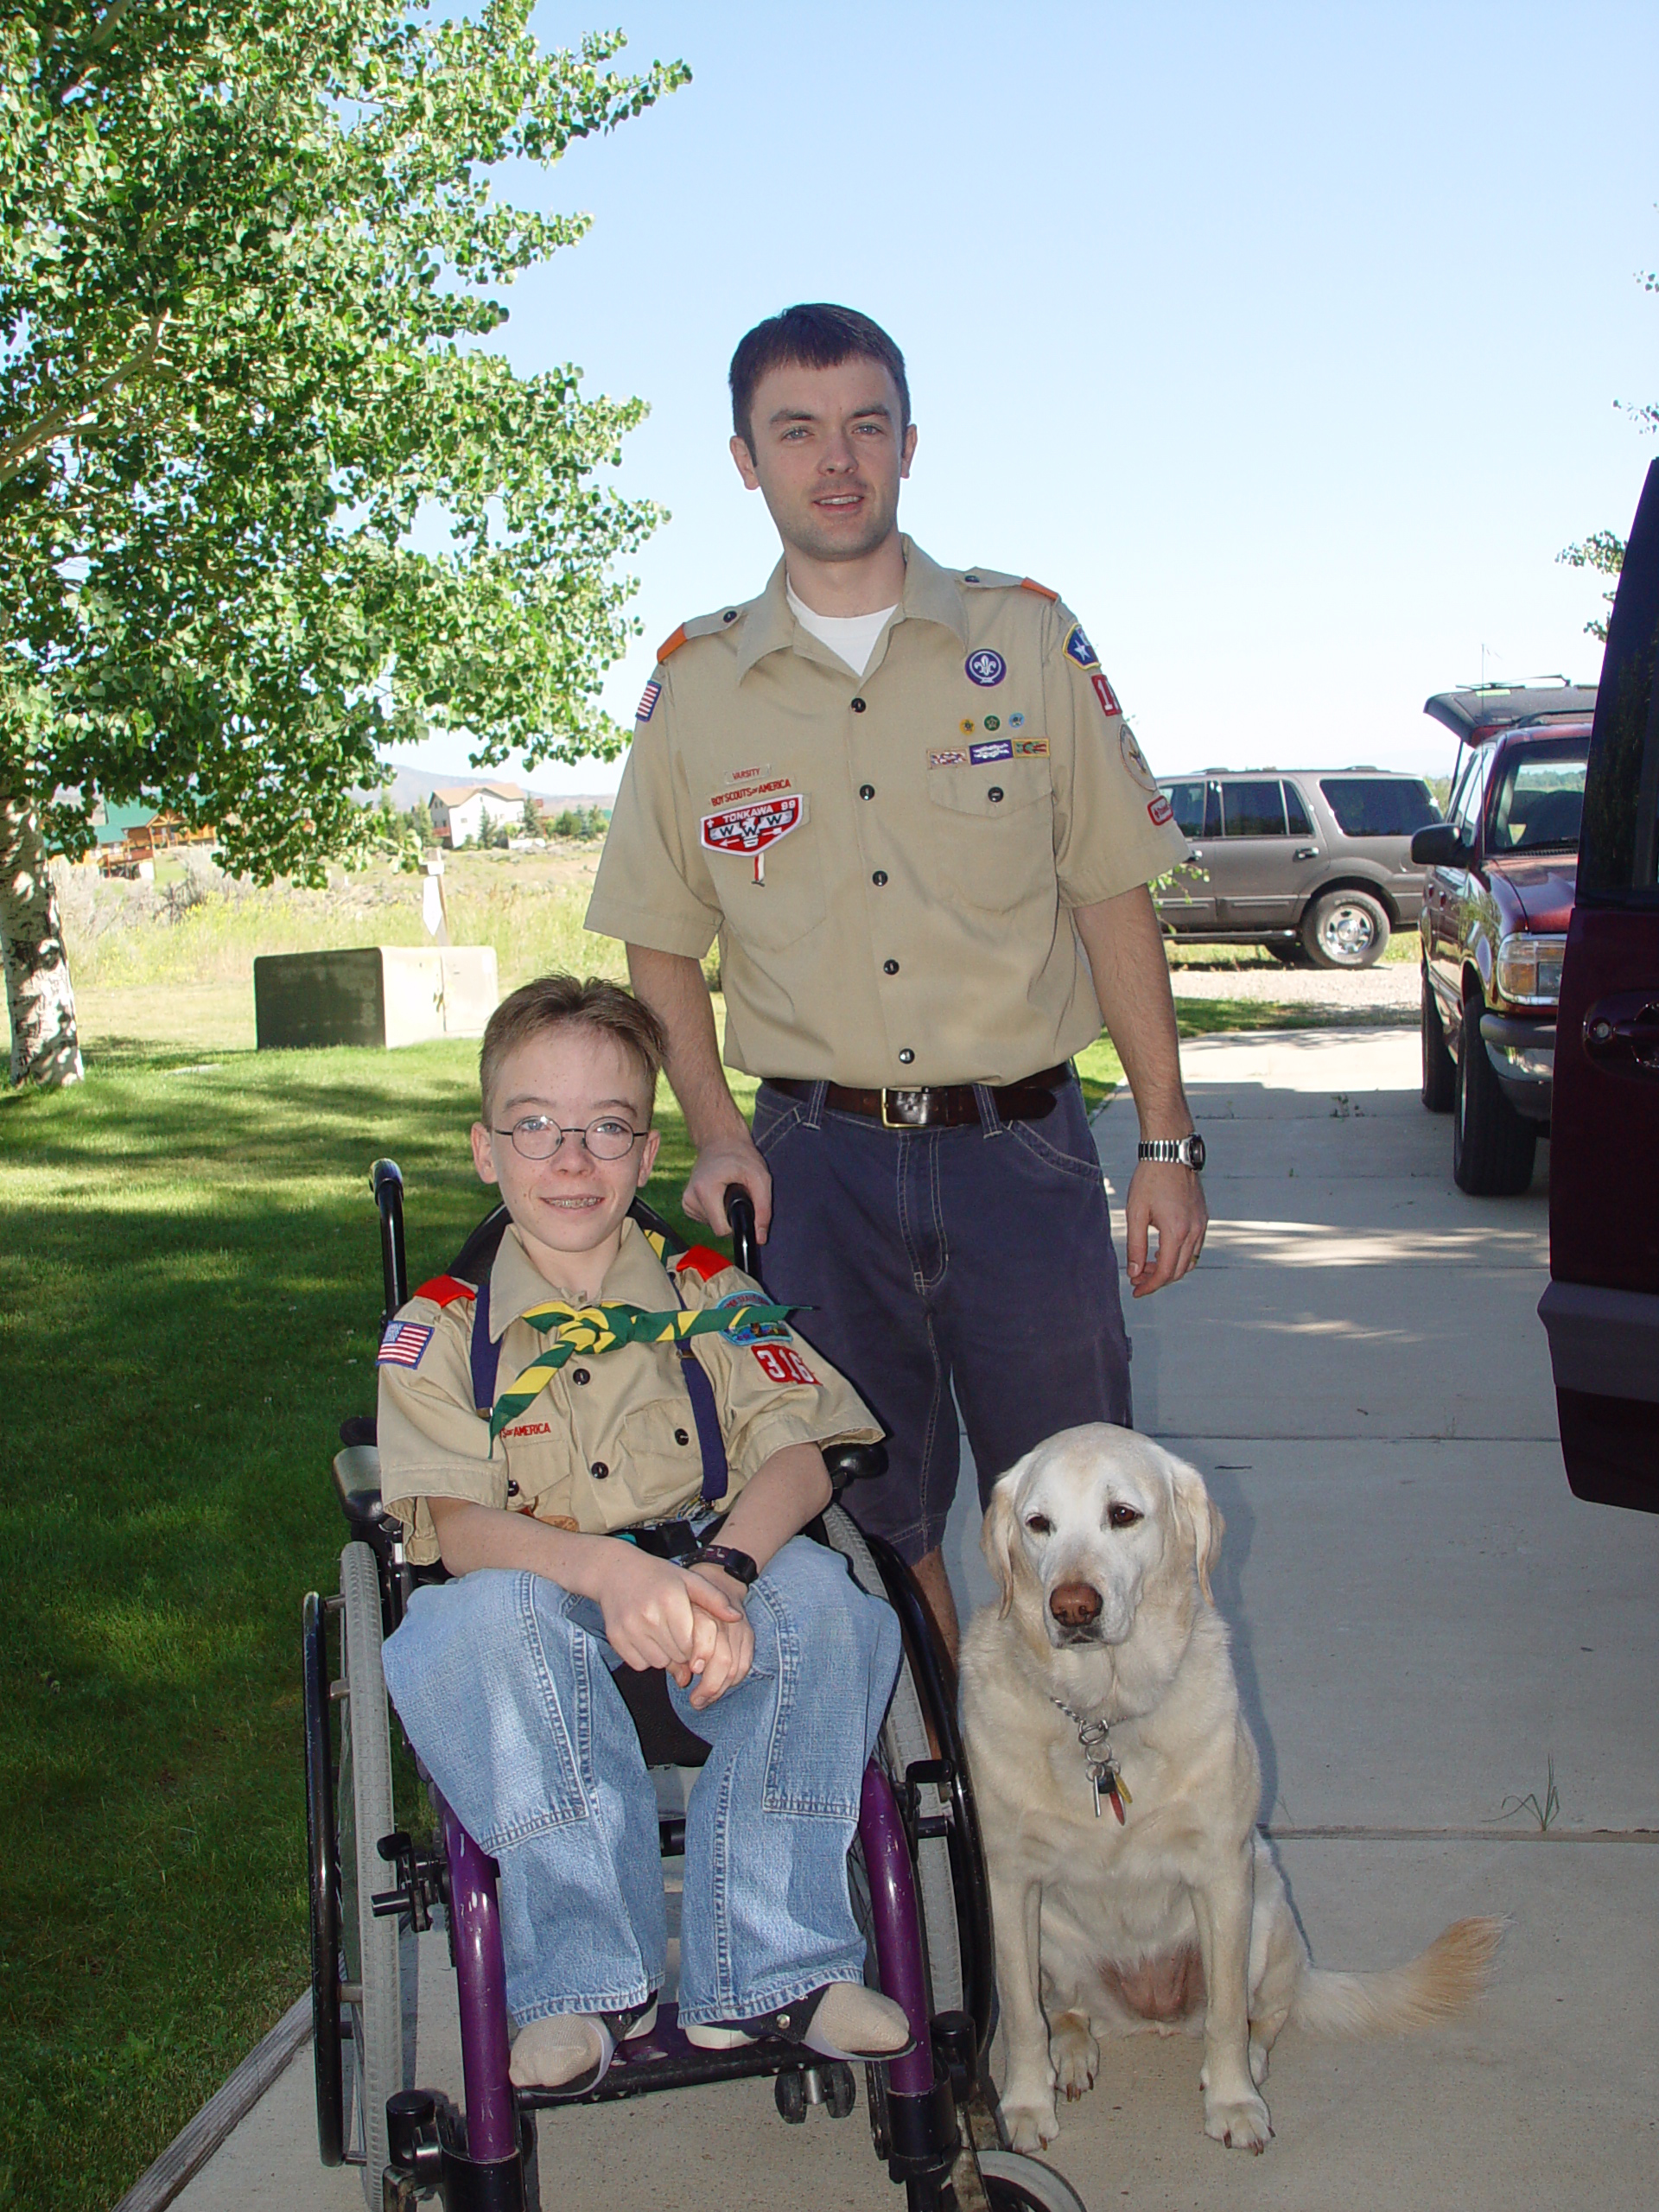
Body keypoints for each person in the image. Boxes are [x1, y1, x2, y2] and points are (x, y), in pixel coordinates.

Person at [585, 302, 1207, 1658]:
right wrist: (718, 1132)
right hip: (817, 1170)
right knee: (854, 1518)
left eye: (867, 424)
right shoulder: (698, 687)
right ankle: (947, 1794)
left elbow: (1113, 893)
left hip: (1022, 1157)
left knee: (1082, 1512)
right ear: (746, 460)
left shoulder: (1027, 640)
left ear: (911, 443)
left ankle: (1099, 1808)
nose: (838, 459)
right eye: (797, 431)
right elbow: (658, 936)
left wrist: (1166, 1138)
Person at [375, 975, 907, 2093]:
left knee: (829, 1605)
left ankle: (773, 1965)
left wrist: (723, 1572)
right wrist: (605, 1571)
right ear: (485, 1149)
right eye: (536, 1126)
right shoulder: (440, 1327)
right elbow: (456, 1527)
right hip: (540, 1617)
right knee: (481, 1622)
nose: (571, 1160)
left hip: (711, 1594)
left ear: (645, 1145)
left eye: (605, 1128)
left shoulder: (706, 1289)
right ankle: (583, 1981)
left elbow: (801, 1449)